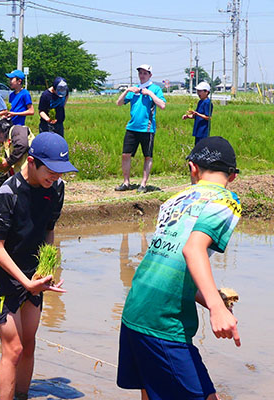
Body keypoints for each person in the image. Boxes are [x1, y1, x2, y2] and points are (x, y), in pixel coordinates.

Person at [117, 136, 242, 400]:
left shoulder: (176, 199)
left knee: (152, 391)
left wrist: (210, 299)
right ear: (232, 176)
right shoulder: (226, 200)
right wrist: (218, 309)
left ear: (192, 168)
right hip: (163, 320)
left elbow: (169, 265)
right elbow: (193, 250)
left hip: (136, 308)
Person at [0, 132, 76, 400]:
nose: (56, 177)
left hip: (35, 278)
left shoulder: (56, 189)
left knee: (28, 344)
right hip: (7, 280)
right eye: (51, 171)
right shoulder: (7, 194)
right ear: (33, 161)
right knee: (13, 349)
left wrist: (47, 271)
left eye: (61, 173)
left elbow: (49, 230)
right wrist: (24, 283)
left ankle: (22, 396)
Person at [115, 64, 166, 193]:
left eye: (145, 73)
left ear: (150, 75)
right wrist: (127, 91)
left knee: (147, 156)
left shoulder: (155, 89)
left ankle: (143, 183)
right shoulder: (135, 90)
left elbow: (162, 105)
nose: (142, 75)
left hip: (147, 129)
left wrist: (149, 93)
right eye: (140, 73)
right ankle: (126, 182)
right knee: (126, 154)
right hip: (132, 127)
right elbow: (119, 103)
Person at [0, 118, 35, 195]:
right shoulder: (8, 143)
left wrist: (8, 162)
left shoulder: (17, 129)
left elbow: (22, 145)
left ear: (2, 129)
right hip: (23, 177)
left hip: (32, 175)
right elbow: (7, 170)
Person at [183, 81, 213, 145]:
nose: (198, 93)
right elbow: (195, 116)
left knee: (202, 148)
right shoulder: (200, 102)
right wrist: (188, 116)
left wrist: (197, 114)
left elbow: (208, 117)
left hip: (203, 131)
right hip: (198, 130)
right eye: (197, 91)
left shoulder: (208, 103)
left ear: (206, 92)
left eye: (200, 91)